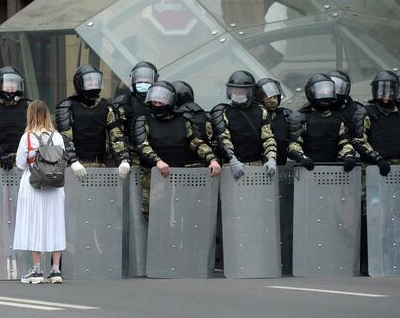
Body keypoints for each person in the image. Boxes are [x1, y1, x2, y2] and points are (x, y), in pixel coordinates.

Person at [134, 82, 221, 218]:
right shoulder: (144, 120)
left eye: (160, 103)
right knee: (153, 215)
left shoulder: (184, 120)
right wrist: (158, 161)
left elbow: (196, 142)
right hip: (154, 178)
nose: (157, 106)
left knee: (181, 214)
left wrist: (212, 159)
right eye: (154, 102)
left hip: (179, 177)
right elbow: (142, 145)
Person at [13, 100, 66, 284]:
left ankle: (36, 271)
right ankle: (55, 270)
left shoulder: (27, 137)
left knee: (33, 224)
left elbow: (20, 164)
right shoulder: (57, 136)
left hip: (33, 185)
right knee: (55, 224)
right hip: (55, 186)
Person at [56, 65, 131, 180]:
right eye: (89, 83)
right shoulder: (67, 107)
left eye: (96, 82)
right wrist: (73, 161)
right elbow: (64, 138)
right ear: (79, 83)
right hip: (75, 168)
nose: (93, 85)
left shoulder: (106, 107)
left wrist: (124, 160)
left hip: (100, 165)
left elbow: (116, 137)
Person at [210, 70, 277, 179]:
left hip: (257, 165)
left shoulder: (260, 111)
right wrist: (232, 159)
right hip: (232, 166)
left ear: (249, 91)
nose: (236, 93)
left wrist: (271, 159)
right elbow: (223, 138)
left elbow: (268, 138)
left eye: (240, 91)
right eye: (233, 90)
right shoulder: (223, 111)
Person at [287, 74, 360, 170]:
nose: (325, 94)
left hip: (334, 169)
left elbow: (344, 142)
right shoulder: (302, 117)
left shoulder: (338, 119)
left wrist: (348, 155)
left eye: (328, 91)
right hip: (307, 169)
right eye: (322, 91)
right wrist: (302, 158)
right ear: (311, 92)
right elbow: (294, 144)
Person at [112, 61, 157, 164]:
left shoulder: (159, 102)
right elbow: (115, 133)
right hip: (131, 157)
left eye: (147, 80)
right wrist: (123, 159)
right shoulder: (124, 102)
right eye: (139, 79)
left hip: (157, 156)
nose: (143, 82)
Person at [255, 78, 300, 166]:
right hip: (259, 166)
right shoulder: (255, 115)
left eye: (275, 97)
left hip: (281, 165)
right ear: (260, 98)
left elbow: (294, 140)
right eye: (269, 97)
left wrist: (298, 155)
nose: (273, 101)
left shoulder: (286, 114)